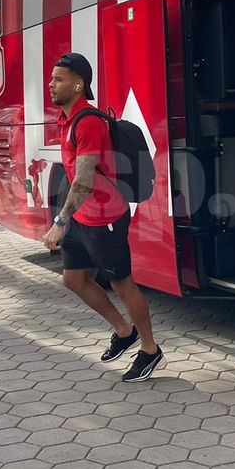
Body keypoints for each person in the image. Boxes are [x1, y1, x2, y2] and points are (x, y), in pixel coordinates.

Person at [44, 52, 164, 382]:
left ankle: (150, 350)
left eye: (59, 79)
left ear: (79, 84)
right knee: (74, 278)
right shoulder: (66, 118)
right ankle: (124, 332)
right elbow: (73, 175)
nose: (51, 84)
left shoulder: (89, 122)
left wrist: (59, 222)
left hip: (105, 215)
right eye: (52, 78)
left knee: (121, 282)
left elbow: (83, 179)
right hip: (83, 215)